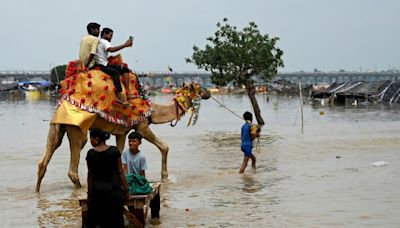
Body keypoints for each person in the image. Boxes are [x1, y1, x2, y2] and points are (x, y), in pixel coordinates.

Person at [86, 128, 129, 228]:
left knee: (97, 223)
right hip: (114, 193)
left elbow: (90, 176)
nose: (90, 141)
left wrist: (89, 194)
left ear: (96, 139)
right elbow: (120, 172)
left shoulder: (91, 154)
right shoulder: (114, 151)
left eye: (91, 138)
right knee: (115, 222)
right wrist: (126, 191)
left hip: (97, 194)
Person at [94, 27, 133, 104]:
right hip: (102, 65)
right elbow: (111, 50)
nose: (111, 37)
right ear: (104, 34)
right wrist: (124, 45)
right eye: (110, 35)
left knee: (124, 69)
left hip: (105, 64)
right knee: (115, 72)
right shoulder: (104, 41)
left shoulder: (99, 41)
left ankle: (127, 91)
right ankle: (118, 95)